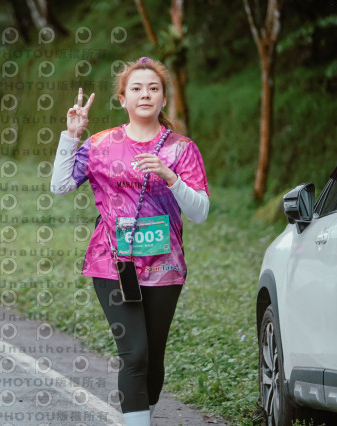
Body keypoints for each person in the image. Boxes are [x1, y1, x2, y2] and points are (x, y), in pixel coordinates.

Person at [50, 57, 209, 426]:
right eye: (136, 88)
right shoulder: (101, 144)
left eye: (153, 88)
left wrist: (170, 177)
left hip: (165, 265)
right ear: (123, 99)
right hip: (112, 263)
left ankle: (142, 414)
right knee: (134, 354)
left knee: (152, 357)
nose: (145, 94)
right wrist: (71, 136)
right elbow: (59, 186)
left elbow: (200, 211)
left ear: (164, 99)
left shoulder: (181, 149)